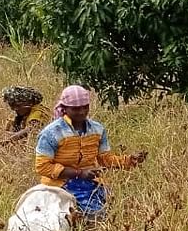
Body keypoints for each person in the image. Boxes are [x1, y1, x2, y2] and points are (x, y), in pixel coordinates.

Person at [34, 85, 147, 220]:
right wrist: (79, 173)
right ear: (65, 108)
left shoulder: (97, 129)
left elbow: (105, 159)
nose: (81, 112)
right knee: (97, 215)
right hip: (59, 183)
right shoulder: (52, 133)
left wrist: (129, 160)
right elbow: (42, 166)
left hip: (90, 181)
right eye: (76, 108)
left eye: (85, 107)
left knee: (124, 207)